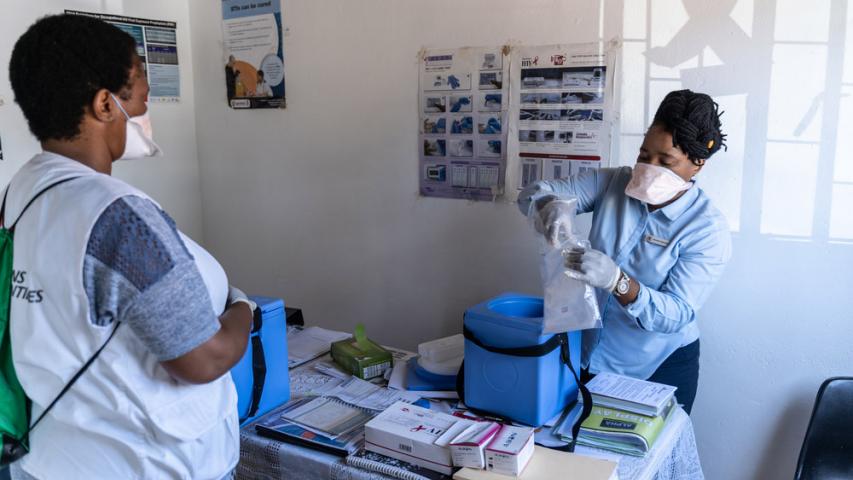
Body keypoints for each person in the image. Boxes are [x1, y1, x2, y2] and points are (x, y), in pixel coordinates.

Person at [6, 14, 252, 479]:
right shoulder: (119, 216)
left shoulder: (23, 191)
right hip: (147, 464)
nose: (145, 100)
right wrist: (243, 308)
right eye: (140, 83)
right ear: (104, 104)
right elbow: (205, 358)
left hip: (51, 458)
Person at [518, 90, 732, 414]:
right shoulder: (613, 183)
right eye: (644, 155)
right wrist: (550, 207)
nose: (648, 168)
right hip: (588, 352)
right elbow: (534, 194)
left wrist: (619, 282)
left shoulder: (706, 230)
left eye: (666, 161)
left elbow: (675, 315)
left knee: (644, 458)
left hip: (658, 364)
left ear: (698, 163)